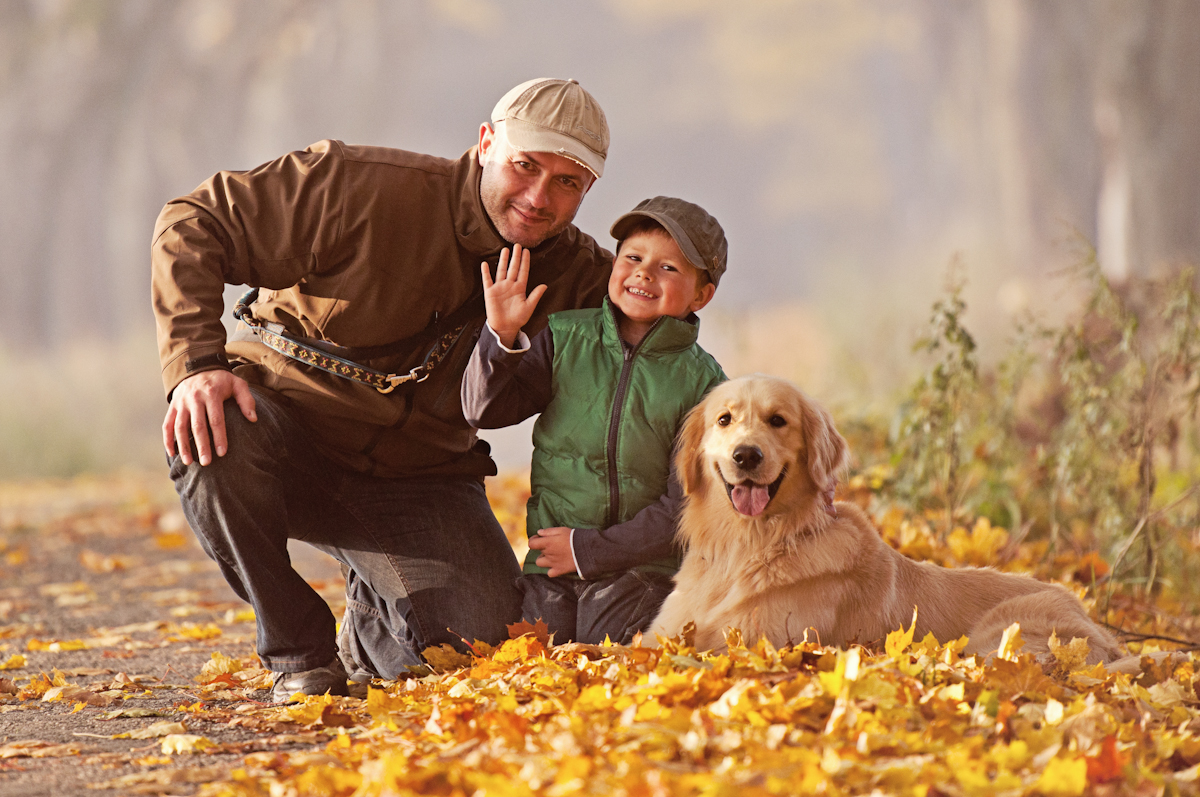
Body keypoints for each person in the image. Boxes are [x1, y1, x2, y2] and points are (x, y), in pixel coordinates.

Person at [150, 78, 614, 701]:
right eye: (524, 166)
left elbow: (659, 346)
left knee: (478, 650)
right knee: (210, 433)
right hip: (284, 430)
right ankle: (298, 650)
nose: (537, 197)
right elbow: (194, 220)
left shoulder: (582, 279)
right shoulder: (357, 184)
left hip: (419, 477)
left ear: (588, 189)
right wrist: (196, 363)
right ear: (485, 144)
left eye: (568, 182)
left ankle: (369, 621)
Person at [462, 196, 728, 644]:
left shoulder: (704, 384)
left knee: (609, 654)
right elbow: (482, 411)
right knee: (528, 656)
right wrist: (501, 337)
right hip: (551, 563)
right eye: (634, 257)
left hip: (641, 570)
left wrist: (588, 551)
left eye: (669, 268)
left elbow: (685, 504)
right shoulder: (565, 337)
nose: (644, 273)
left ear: (702, 294)